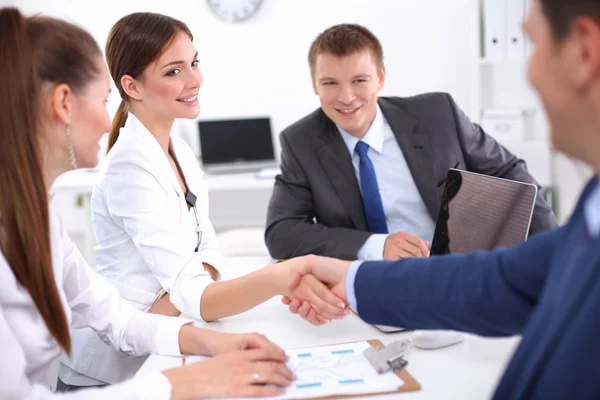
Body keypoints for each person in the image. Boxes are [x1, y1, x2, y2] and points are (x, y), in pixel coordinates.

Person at [0, 7, 343, 398]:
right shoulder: (126, 164)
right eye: (103, 99)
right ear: (64, 103)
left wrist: (208, 339)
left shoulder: (44, 215)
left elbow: (114, 311)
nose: (105, 121)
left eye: (193, 63)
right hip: (112, 376)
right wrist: (282, 276)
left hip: (146, 355)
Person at [285, 0, 600, 396]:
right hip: (403, 304)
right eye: (331, 82)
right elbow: (503, 279)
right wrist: (353, 277)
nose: (528, 71)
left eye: (532, 44)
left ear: (585, 51)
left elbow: (511, 194)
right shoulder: (590, 214)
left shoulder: (437, 113)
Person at [265, 23, 558, 262]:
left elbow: (510, 173)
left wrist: (556, 250)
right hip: (369, 282)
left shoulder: (438, 114)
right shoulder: (300, 142)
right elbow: (281, 232)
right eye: (330, 83)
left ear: (380, 78)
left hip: (454, 269)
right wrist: (377, 246)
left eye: (359, 80)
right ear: (314, 84)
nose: (346, 97)